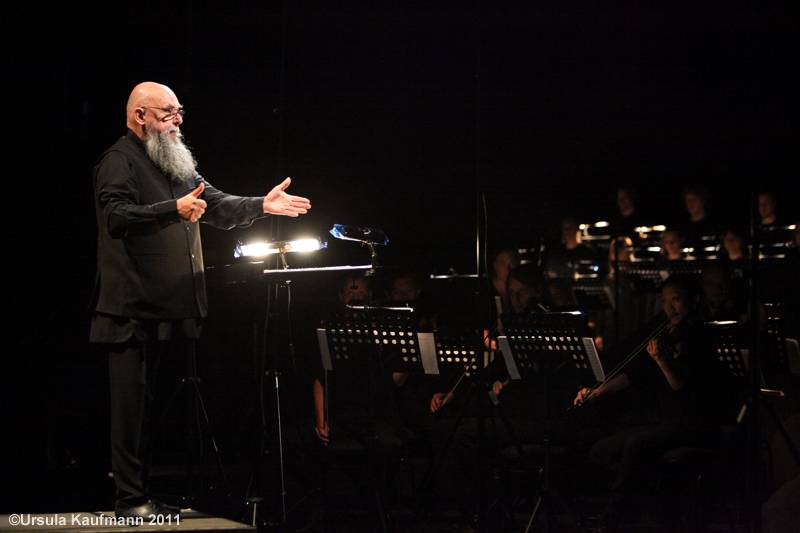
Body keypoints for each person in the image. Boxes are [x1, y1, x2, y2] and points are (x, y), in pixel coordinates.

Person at [91, 82, 311, 519]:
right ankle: (129, 500)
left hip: (169, 307)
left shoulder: (172, 160)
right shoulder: (120, 160)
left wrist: (261, 206)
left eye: (179, 111)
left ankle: (145, 494)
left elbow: (214, 202)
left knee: (154, 409)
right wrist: (171, 210)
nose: (178, 120)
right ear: (140, 116)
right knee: (131, 409)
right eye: (168, 113)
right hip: (130, 308)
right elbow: (114, 215)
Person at [573, 277, 733, 529]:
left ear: (692, 301)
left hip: (691, 421)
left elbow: (681, 387)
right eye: (665, 301)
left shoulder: (700, 335)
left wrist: (661, 361)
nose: (669, 308)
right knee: (601, 449)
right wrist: (596, 391)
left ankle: (617, 518)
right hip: (663, 419)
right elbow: (633, 375)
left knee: (637, 444)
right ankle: (643, 509)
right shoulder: (665, 332)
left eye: (676, 300)